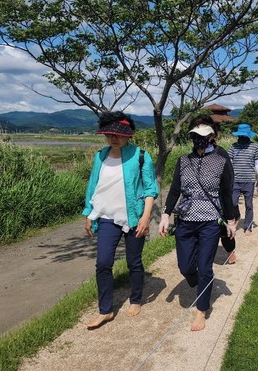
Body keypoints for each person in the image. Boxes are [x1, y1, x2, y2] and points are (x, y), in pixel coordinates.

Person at [83, 111, 159, 329]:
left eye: (117, 134)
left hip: (134, 218)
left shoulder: (141, 156)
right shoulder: (100, 156)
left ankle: (136, 299)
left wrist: (145, 218)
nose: (112, 138)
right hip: (106, 217)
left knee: (133, 261)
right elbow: (93, 186)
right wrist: (89, 213)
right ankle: (105, 310)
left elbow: (150, 189)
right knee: (103, 263)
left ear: (128, 136)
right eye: (109, 134)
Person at [159, 124, 237, 331]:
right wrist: (165, 215)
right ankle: (203, 281)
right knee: (185, 267)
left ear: (212, 137)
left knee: (204, 267)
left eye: (202, 136)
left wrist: (230, 221)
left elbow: (226, 194)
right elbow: (175, 189)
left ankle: (201, 310)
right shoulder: (183, 161)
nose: (198, 140)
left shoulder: (221, 162)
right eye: (194, 136)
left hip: (210, 221)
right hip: (185, 219)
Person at [188, 114, 237, 264]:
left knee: (225, 231)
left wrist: (229, 213)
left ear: (212, 134)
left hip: (218, 202)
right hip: (197, 205)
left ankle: (230, 250)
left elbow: (227, 185)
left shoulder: (221, 154)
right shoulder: (191, 155)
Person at [228, 124, 258, 236]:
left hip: (249, 180)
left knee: (249, 204)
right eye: (240, 136)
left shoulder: (254, 147)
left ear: (248, 136)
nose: (242, 138)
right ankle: (236, 215)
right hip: (235, 180)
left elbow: (257, 163)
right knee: (232, 202)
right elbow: (230, 162)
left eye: (244, 136)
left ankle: (248, 226)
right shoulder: (233, 147)